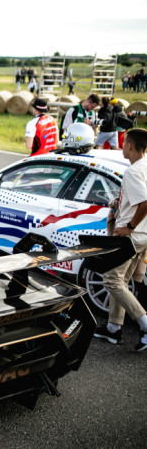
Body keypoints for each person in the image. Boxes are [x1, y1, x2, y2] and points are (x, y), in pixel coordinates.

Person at [94, 128, 147, 352]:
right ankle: (114, 328)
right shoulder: (145, 166)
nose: (122, 145)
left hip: (131, 236)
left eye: (124, 142)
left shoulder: (133, 172)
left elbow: (145, 202)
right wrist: (121, 201)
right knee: (122, 281)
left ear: (131, 146)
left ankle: (145, 324)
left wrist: (129, 227)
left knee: (111, 281)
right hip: (144, 235)